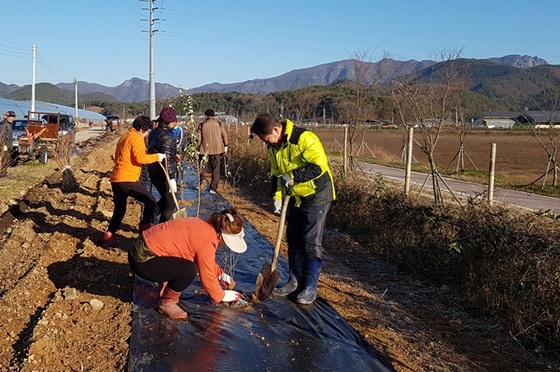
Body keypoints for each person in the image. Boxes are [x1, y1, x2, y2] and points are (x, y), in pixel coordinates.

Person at [250, 113, 336, 305]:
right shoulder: (273, 147)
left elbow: (318, 166)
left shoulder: (304, 139)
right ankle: (294, 281)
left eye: (266, 138)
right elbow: (276, 174)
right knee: (294, 239)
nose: (266, 142)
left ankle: (310, 287)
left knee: (311, 242)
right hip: (294, 197)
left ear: (276, 129)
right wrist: (277, 197)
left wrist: (293, 175)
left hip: (317, 195)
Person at [128, 208, 247, 319]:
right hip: (142, 260)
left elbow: (204, 260)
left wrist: (221, 274)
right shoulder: (207, 241)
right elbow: (207, 277)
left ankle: (163, 289)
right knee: (189, 270)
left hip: (139, 249)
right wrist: (221, 295)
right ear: (222, 235)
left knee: (181, 261)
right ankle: (167, 303)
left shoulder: (203, 225)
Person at [104, 115, 165, 247]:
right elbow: (140, 158)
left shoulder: (124, 137)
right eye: (147, 130)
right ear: (142, 129)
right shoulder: (136, 138)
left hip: (116, 179)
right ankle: (144, 228)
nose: (147, 133)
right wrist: (157, 157)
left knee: (119, 210)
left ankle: (109, 234)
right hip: (127, 179)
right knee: (151, 200)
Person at [147, 107, 179, 223]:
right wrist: (171, 178)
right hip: (163, 174)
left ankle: (148, 219)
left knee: (166, 199)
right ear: (171, 122)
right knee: (170, 203)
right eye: (175, 120)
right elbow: (167, 160)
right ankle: (161, 227)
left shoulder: (154, 132)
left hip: (153, 170)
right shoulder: (167, 137)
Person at [198, 109, 228, 194]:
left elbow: (199, 139)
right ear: (214, 116)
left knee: (203, 167)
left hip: (204, 150)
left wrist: (197, 148)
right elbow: (224, 135)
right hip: (217, 150)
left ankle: (202, 182)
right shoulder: (219, 124)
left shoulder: (202, 125)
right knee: (216, 169)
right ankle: (213, 187)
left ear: (206, 116)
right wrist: (226, 146)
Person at [0, 111, 15, 176]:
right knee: (4, 159)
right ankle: (2, 173)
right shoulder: (4, 124)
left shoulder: (9, 124)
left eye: (13, 117)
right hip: (4, 146)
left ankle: (4, 172)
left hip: (8, 145)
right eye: (10, 117)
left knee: (7, 159)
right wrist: (3, 145)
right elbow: (1, 135)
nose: (12, 118)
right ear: (6, 117)